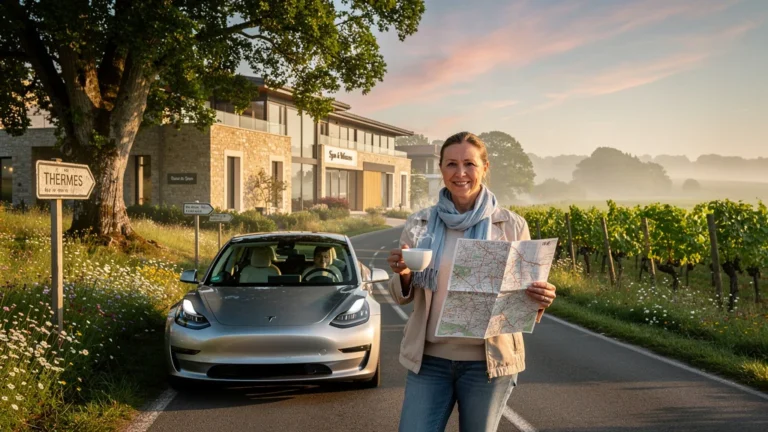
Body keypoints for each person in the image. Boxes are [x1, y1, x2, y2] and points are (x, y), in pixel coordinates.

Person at [386, 132, 557, 432]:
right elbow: (404, 295)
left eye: (469, 164)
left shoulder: (512, 226)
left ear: (485, 167)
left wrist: (540, 298)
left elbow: (524, 299)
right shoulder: (419, 223)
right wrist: (403, 275)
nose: (460, 173)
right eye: (451, 164)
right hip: (429, 360)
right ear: (441, 169)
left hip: (488, 365)